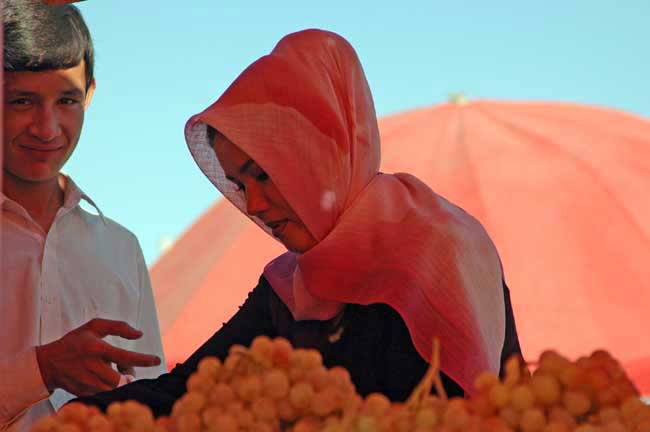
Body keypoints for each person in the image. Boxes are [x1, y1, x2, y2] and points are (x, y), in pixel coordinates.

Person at [74, 28, 521, 415]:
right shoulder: (288, 288)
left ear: (320, 153)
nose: (254, 205)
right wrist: (70, 416)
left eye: (264, 175)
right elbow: (185, 389)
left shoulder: (444, 253)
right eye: (238, 185)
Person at [1, 1, 167, 430]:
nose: (47, 128)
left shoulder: (121, 249)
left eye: (67, 100)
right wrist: (41, 371)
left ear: (90, 95)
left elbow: (153, 402)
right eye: (22, 101)